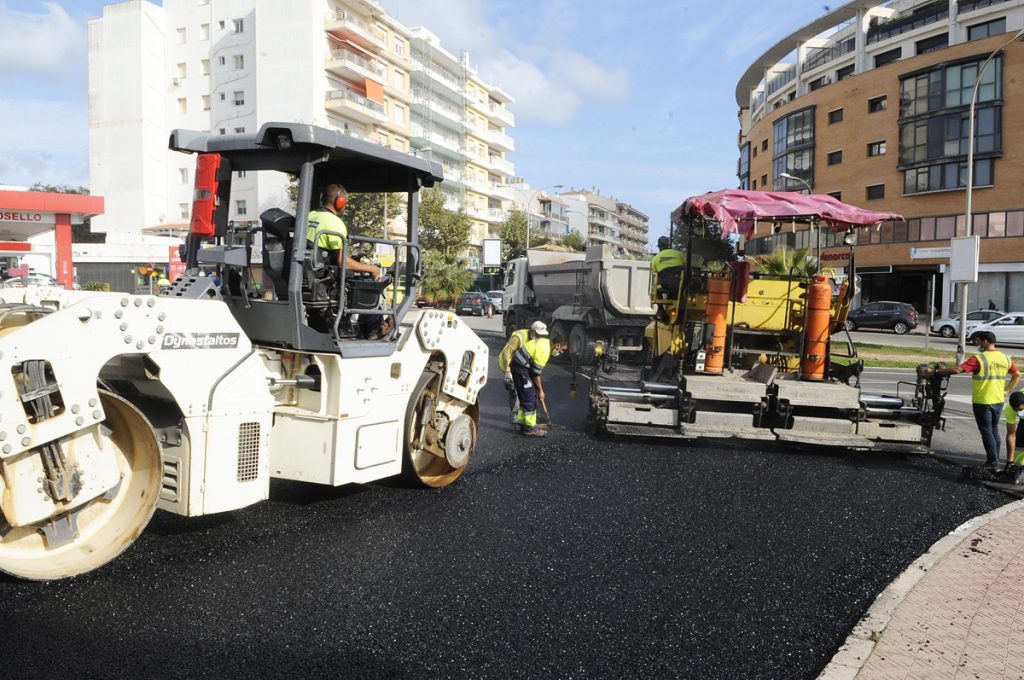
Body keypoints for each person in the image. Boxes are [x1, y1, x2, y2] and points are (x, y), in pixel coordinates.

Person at [925, 331, 1021, 468]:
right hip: (998, 401)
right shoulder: (1005, 358)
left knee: (986, 431)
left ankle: (992, 463)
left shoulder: (979, 359)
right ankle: (995, 459)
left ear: (985, 341)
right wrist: (1007, 391)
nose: (977, 344)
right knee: (993, 430)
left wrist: (936, 372)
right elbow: (1017, 375)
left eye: (978, 341)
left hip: (983, 402)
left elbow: (958, 369)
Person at [497, 320, 566, 437]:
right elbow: (535, 374)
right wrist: (540, 391)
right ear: (558, 345)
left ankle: (520, 422)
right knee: (528, 397)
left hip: (520, 366)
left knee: (525, 395)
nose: (561, 352)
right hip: (515, 367)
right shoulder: (541, 347)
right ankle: (529, 427)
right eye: (562, 349)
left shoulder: (543, 343)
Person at [307, 184, 381, 278]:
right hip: (322, 277)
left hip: (307, 273)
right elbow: (343, 261)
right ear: (340, 202)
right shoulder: (335, 222)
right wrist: (371, 268)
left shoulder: (309, 216)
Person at [1005, 391, 1024, 466]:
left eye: (1020, 409)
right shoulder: (1009, 409)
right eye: (1016, 410)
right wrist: (1009, 461)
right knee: (1019, 441)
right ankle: (1017, 465)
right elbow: (1011, 434)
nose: (1018, 412)